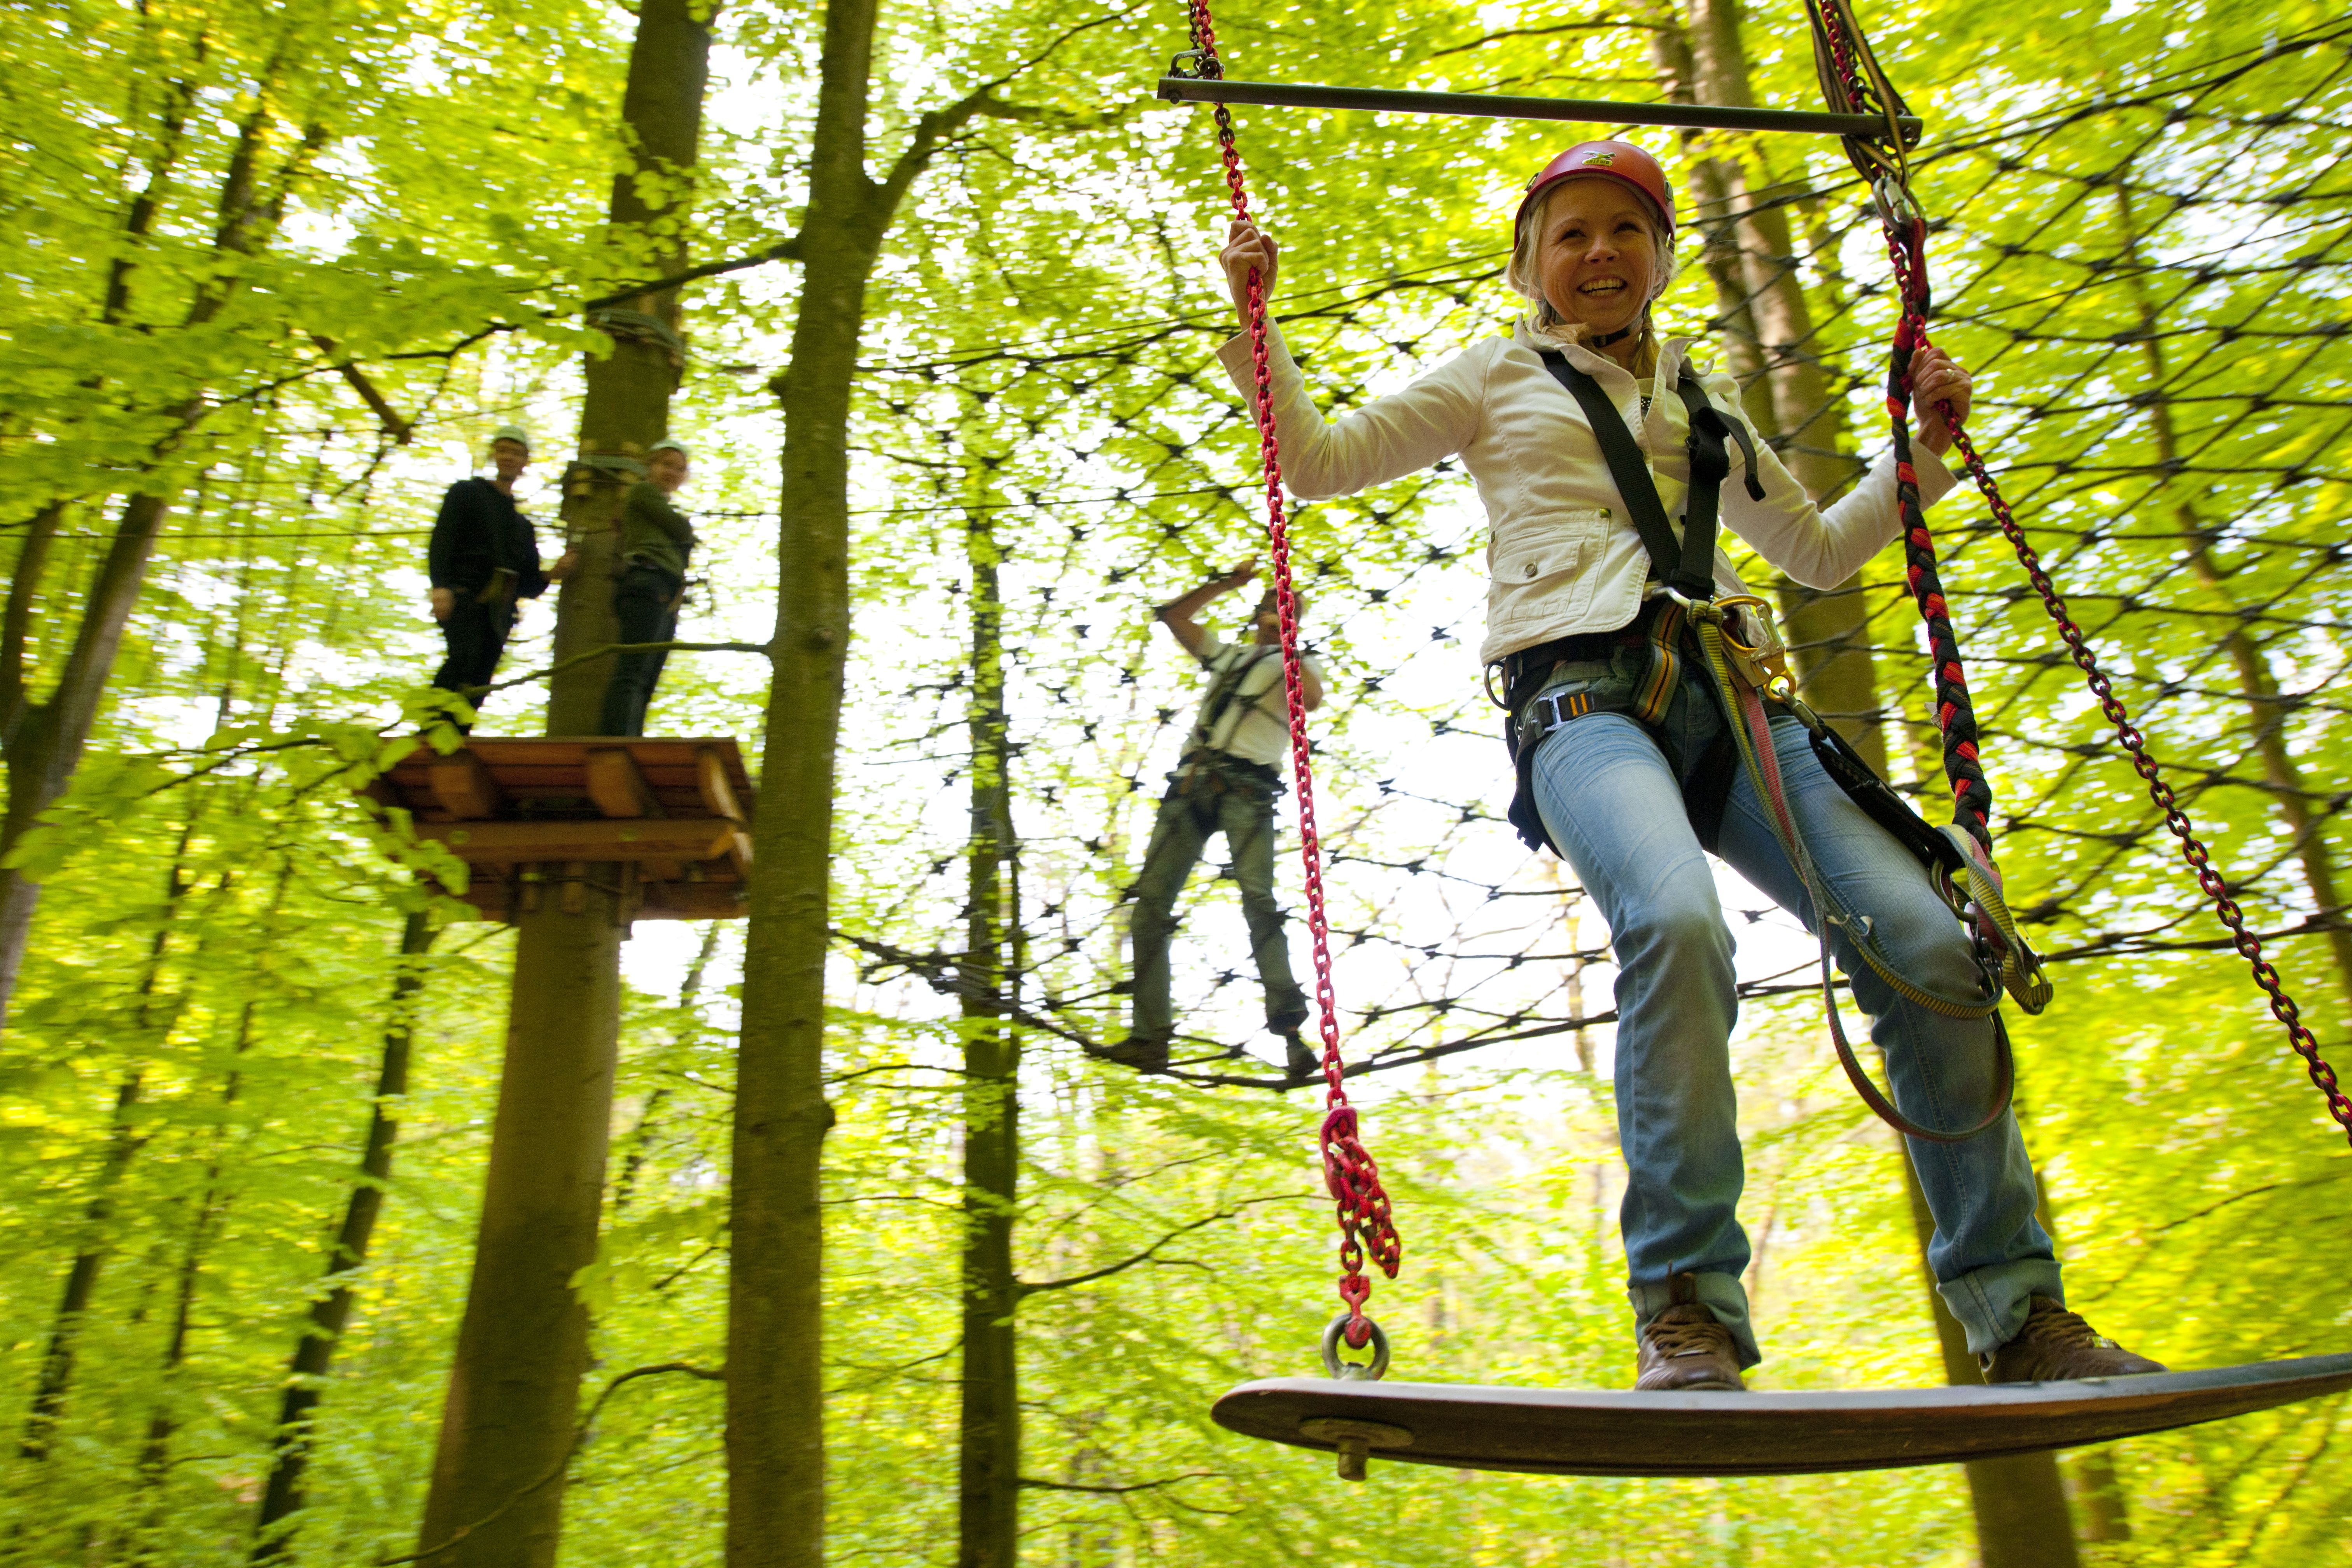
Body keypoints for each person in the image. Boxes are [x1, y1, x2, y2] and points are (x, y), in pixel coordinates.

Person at [1211, 141, 2164, 1391]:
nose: (1599, 252)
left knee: (1930, 949)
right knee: (1675, 923)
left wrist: (1924, 453)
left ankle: (2019, 1315)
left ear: (1661, 259)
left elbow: (1815, 551)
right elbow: (1321, 461)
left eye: (1627, 230)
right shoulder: (1494, 377)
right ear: (1531, 267)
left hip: (1736, 705)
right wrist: (1256, 323)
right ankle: (1686, 1309)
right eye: (1571, 234)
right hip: (1581, 703)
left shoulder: (1704, 407)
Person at [1108, 559, 1323, 1080]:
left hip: (1249, 792)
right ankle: (1150, 1037)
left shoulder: (1299, 662)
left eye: (1288, 610)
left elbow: (1311, 701)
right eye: (1271, 605)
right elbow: (1173, 617)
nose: (1277, 611)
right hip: (1190, 786)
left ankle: (1291, 1034)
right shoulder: (1229, 656)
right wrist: (1226, 584)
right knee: (1149, 907)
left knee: (1258, 900)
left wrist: (1285, 642)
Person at [427, 425, 574, 726]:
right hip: (465, 595)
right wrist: (441, 587)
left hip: (499, 612)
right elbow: (443, 540)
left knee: (481, 674)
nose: (509, 457)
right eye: (504, 450)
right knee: (463, 659)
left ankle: (457, 735)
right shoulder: (466, 494)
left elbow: (529, 584)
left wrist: (555, 573)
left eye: (516, 453)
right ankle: (429, 730)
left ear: (525, 462)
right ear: (494, 455)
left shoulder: (522, 526)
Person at [598, 437, 698, 736]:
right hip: (647, 583)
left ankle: (631, 737)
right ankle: (617, 739)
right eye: (666, 465)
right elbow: (682, 530)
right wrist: (685, 529)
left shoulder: (659, 505)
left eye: (679, 469)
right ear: (650, 466)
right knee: (633, 672)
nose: (672, 473)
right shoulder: (643, 492)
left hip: (664, 592)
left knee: (646, 676)